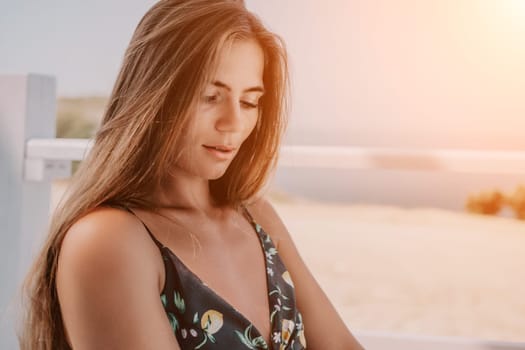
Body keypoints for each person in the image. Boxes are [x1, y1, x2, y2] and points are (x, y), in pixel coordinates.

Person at [20, 0, 364, 349]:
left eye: (249, 102)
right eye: (210, 96)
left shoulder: (256, 217)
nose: (233, 123)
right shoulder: (108, 240)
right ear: (155, 95)